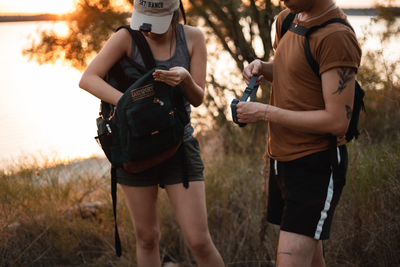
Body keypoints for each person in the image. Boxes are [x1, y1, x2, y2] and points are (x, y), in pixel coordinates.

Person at [79, 0, 225, 266]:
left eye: (154, 23)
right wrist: (132, 103)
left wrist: (185, 78)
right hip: (133, 148)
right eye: (143, 19)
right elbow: (88, 78)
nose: (147, 30)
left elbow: (198, 98)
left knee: (200, 242)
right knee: (147, 238)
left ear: (173, 12)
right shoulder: (126, 37)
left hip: (178, 145)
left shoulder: (193, 38)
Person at [236, 0, 361, 266]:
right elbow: (295, 69)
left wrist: (264, 112)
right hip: (281, 160)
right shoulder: (287, 18)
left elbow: (338, 121)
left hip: (316, 164)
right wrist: (261, 67)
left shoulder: (336, 36)